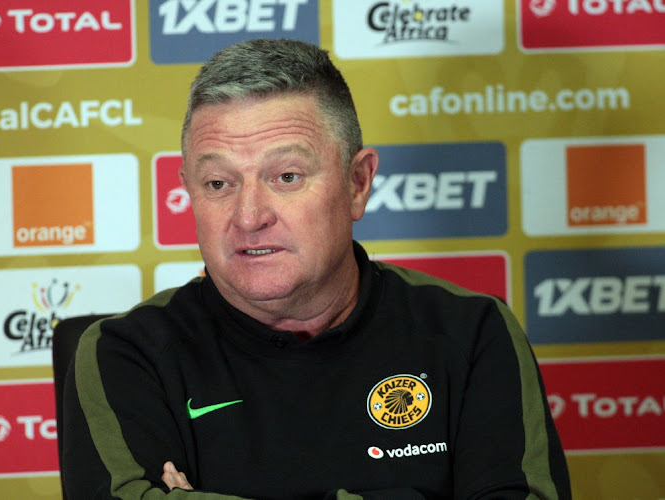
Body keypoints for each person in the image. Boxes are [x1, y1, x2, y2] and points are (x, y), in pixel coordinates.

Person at [62, 38, 571, 499]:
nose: (248, 216)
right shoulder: (125, 354)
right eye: (218, 183)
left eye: (286, 176)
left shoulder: (472, 332)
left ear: (357, 183)